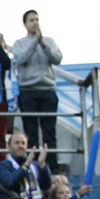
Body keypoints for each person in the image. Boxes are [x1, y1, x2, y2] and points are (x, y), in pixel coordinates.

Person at [12, 10, 62, 149]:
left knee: (49, 132)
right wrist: (34, 42)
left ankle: (51, 165)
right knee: (31, 132)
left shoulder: (49, 41)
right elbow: (20, 59)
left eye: (37, 20)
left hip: (48, 90)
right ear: (25, 24)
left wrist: (43, 44)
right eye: (31, 20)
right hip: (28, 91)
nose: (35, 23)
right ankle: (32, 164)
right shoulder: (19, 44)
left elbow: (57, 59)